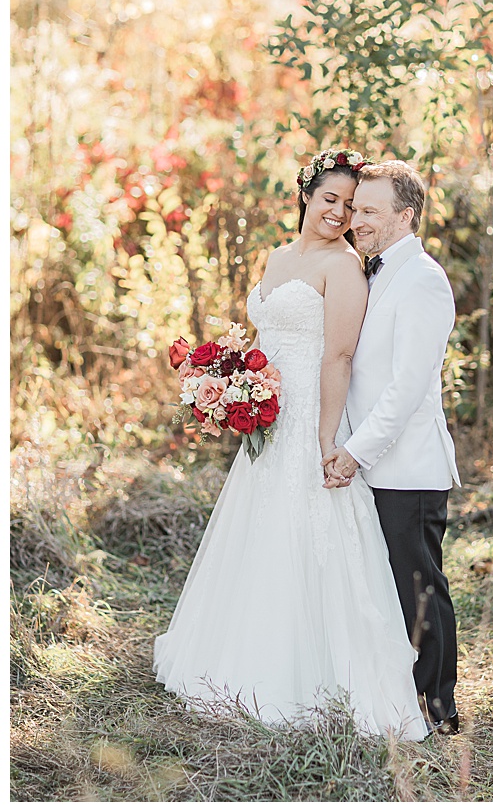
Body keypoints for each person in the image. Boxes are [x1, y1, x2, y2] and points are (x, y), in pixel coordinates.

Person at [154, 149, 428, 741]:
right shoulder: (278, 257)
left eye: (351, 206)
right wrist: (232, 385)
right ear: (306, 195)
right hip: (270, 417)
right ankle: (237, 655)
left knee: (308, 532)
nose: (340, 214)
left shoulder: (345, 266)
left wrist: (326, 437)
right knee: (257, 531)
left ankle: (307, 676)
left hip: (311, 418)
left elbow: (339, 355)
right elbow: (265, 337)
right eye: (331, 199)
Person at [322, 159, 463, 734]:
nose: (356, 219)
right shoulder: (372, 273)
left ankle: (439, 708)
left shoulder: (424, 280)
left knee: (419, 589)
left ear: (406, 216)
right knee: (385, 589)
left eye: (370, 211)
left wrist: (355, 451)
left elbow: (407, 388)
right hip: (372, 466)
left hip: (408, 467)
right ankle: (398, 697)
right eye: (356, 209)